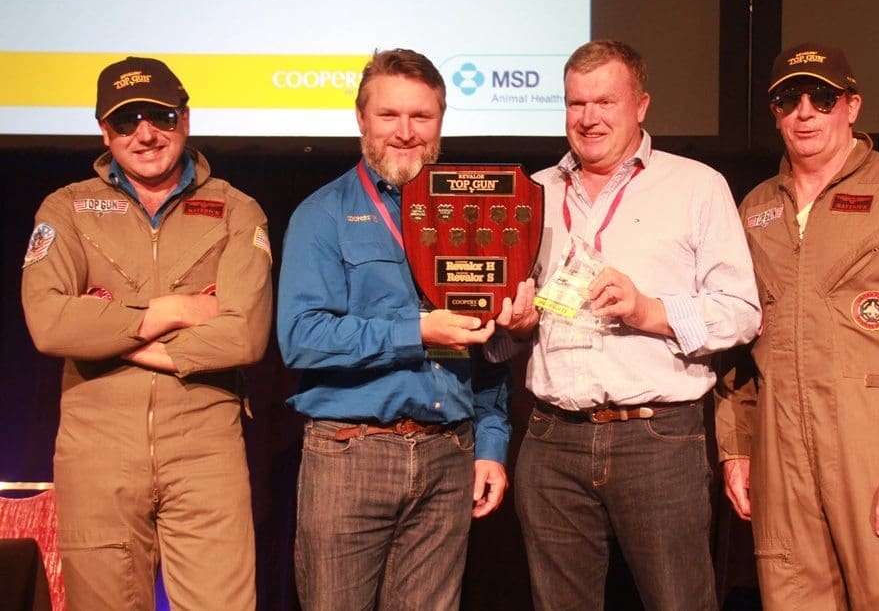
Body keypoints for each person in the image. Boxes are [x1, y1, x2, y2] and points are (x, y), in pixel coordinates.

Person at [497, 39, 761, 610]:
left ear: (641, 105)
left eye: (605, 102)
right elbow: (512, 329)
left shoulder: (696, 185)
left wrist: (649, 310)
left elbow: (742, 310)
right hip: (551, 439)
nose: (588, 118)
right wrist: (515, 327)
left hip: (658, 439)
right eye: (575, 104)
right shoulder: (532, 192)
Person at [715, 42, 879, 609]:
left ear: (851, 106)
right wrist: (736, 449)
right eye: (788, 99)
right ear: (776, 113)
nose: (805, 111)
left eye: (822, 97)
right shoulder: (755, 208)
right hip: (782, 457)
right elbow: (735, 341)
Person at [20, 56, 272, 610]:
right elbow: (50, 322)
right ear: (104, 130)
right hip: (96, 454)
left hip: (206, 450)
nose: (145, 134)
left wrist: (110, 332)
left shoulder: (237, 210)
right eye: (126, 120)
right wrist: (169, 310)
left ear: (184, 117)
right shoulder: (66, 209)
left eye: (158, 115)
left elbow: (245, 337)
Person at [276, 48, 511, 610]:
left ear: (440, 123)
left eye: (421, 117)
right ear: (362, 119)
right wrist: (418, 331)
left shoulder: (472, 211)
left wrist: (493, 442)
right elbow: (302, 335)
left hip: (447, 454)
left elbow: (488, 340)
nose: (405, 133)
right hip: (351, 453)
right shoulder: (322, 214)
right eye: (389, 116)